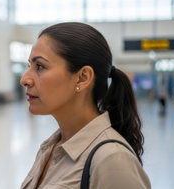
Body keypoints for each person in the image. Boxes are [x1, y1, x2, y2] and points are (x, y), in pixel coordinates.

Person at [20, 23, 150, 189]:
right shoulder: (50, 148)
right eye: (29, 65)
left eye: (40, 66)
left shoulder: (111, 159)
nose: (24, 79)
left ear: (82, 78)